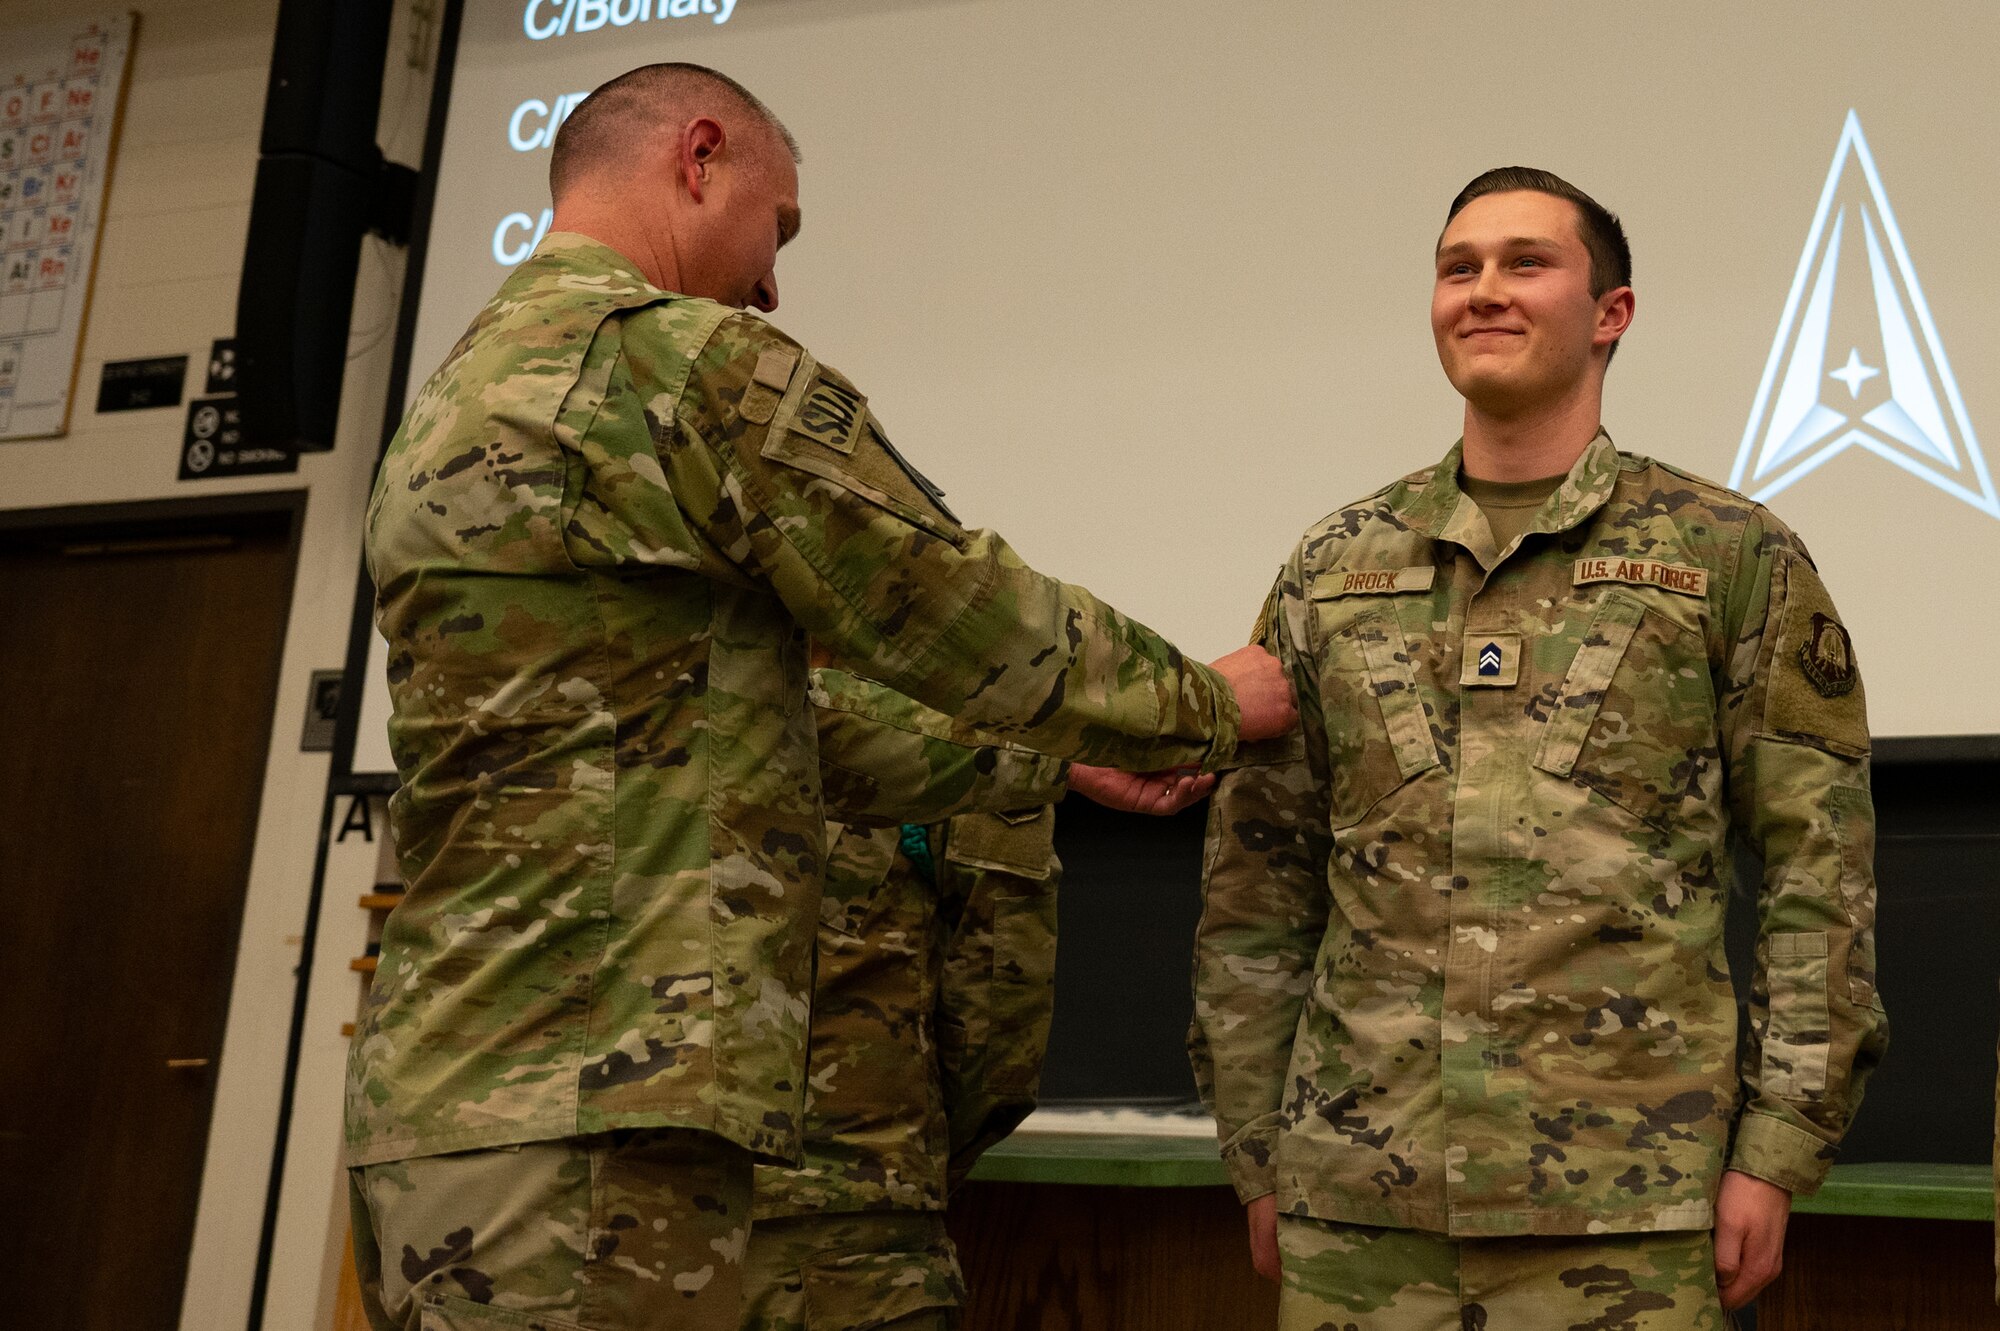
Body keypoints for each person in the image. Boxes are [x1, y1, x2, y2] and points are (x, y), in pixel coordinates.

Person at [347, 62, 1294, 1331]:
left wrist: (1044, 769)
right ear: (699, 156)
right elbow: (945, 602)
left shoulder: (447, 409)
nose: (774, 278)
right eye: (776, 223)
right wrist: (1203, 702)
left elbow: (760, 724)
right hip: (600, 1104)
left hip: (451, 1098)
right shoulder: (676, 364)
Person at [1190, 166, 1888, 1330]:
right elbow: (1256, 883)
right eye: (1456, 267)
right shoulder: (1334, 566)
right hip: (1362, 1199)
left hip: (1628, 1208)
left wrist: (1773, 1148)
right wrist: (1258, 1148)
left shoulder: (1727, 555)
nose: (1481, 292)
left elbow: (1821, 878)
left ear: (1609, 311)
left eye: (1524, 262)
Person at [741, 667, 1068, 1331]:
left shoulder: (584, 703)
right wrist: (907, 1168)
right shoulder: (960, 727)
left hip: (606, 1234)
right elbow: (1001, 1010)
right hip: (852, 1246)